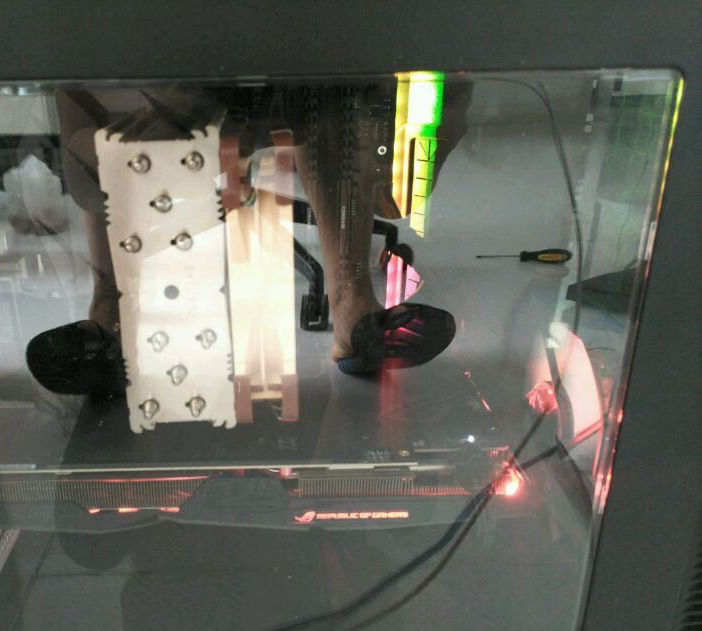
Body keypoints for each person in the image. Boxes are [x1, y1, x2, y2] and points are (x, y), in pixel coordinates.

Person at [27, 79, 469, 395]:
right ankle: (112, 310)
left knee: (333, 88)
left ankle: (353, 308)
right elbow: (89, 169)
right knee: (108, 135)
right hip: (188, 68)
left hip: (303, 48)